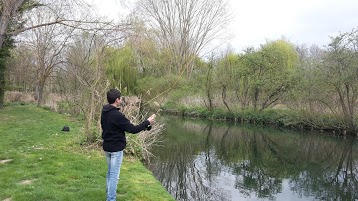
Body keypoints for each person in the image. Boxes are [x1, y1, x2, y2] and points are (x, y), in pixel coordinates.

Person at [101, 89, 156, 201]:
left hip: (107, 147)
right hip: (116, 150)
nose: (121, 100)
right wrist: (147, 122)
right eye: (120, 98)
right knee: (114, 176)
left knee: (110, 173)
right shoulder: (117, 115)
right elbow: (133, 129)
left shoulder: (104, 111)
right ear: (117, 100)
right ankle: (111, 199)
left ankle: (109, 196)